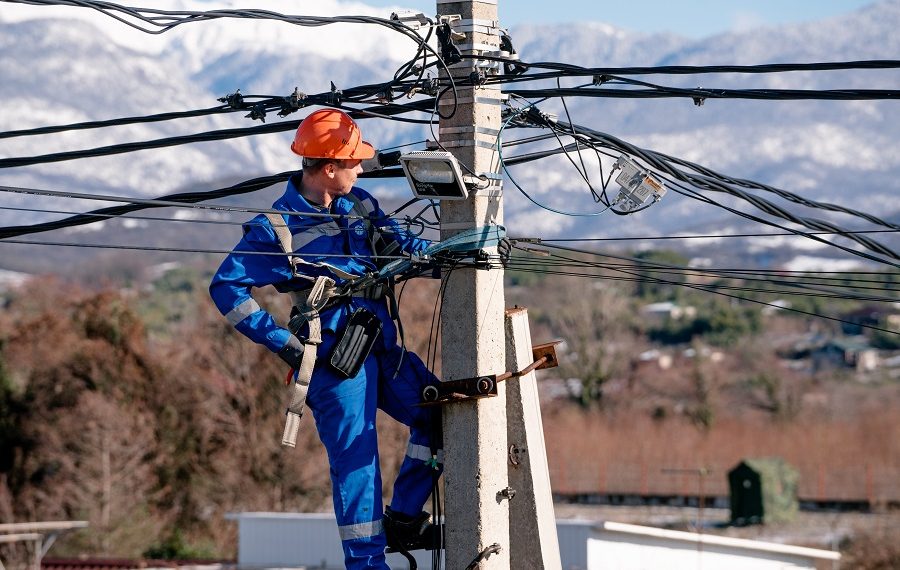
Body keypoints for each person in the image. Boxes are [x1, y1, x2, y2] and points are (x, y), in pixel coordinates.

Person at [209, 109, 442, 569]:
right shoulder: (275, 230)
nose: (361, 169)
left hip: (381, 345)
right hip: (335, 362)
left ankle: (404, 518)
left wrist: (455, 256)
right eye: (353, 163)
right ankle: (366, 564)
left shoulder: (361, 204)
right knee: (359, 463)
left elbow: (403, 248)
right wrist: (282, 343)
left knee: (439, 416)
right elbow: (225, 287)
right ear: (329, 168)